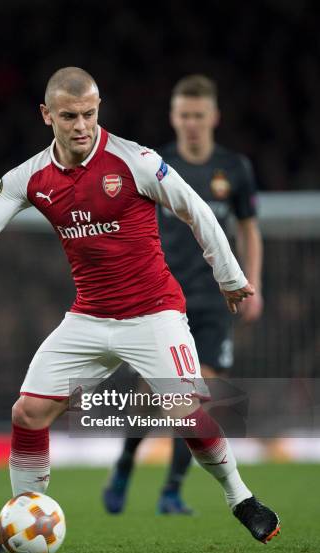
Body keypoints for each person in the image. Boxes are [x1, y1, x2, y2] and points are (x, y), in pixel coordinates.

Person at [0, 67, 279, 553]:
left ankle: (242, 500)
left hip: (154, 313)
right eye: (69, 116)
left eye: (89, 114)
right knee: (27, 412)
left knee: (187, 414)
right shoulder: (31, 177)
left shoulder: (135, 161)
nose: (81, 126)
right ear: (47, 116)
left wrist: (231, 277)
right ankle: (22, 522)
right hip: (89, 318)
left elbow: (196, 209)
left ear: (98, 110)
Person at [103, 74, 263, 515]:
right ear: (174, 118)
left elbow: (249, 229)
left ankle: (171, 490)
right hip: (159, 294)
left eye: (199, 115)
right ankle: (125, 463)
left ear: (214, 117)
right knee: (150, 394)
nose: (191, 123)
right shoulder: (154, 163)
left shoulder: (235, 169)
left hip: (213, 298)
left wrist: (255, 282)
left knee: (195, 395)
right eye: (184, 115)